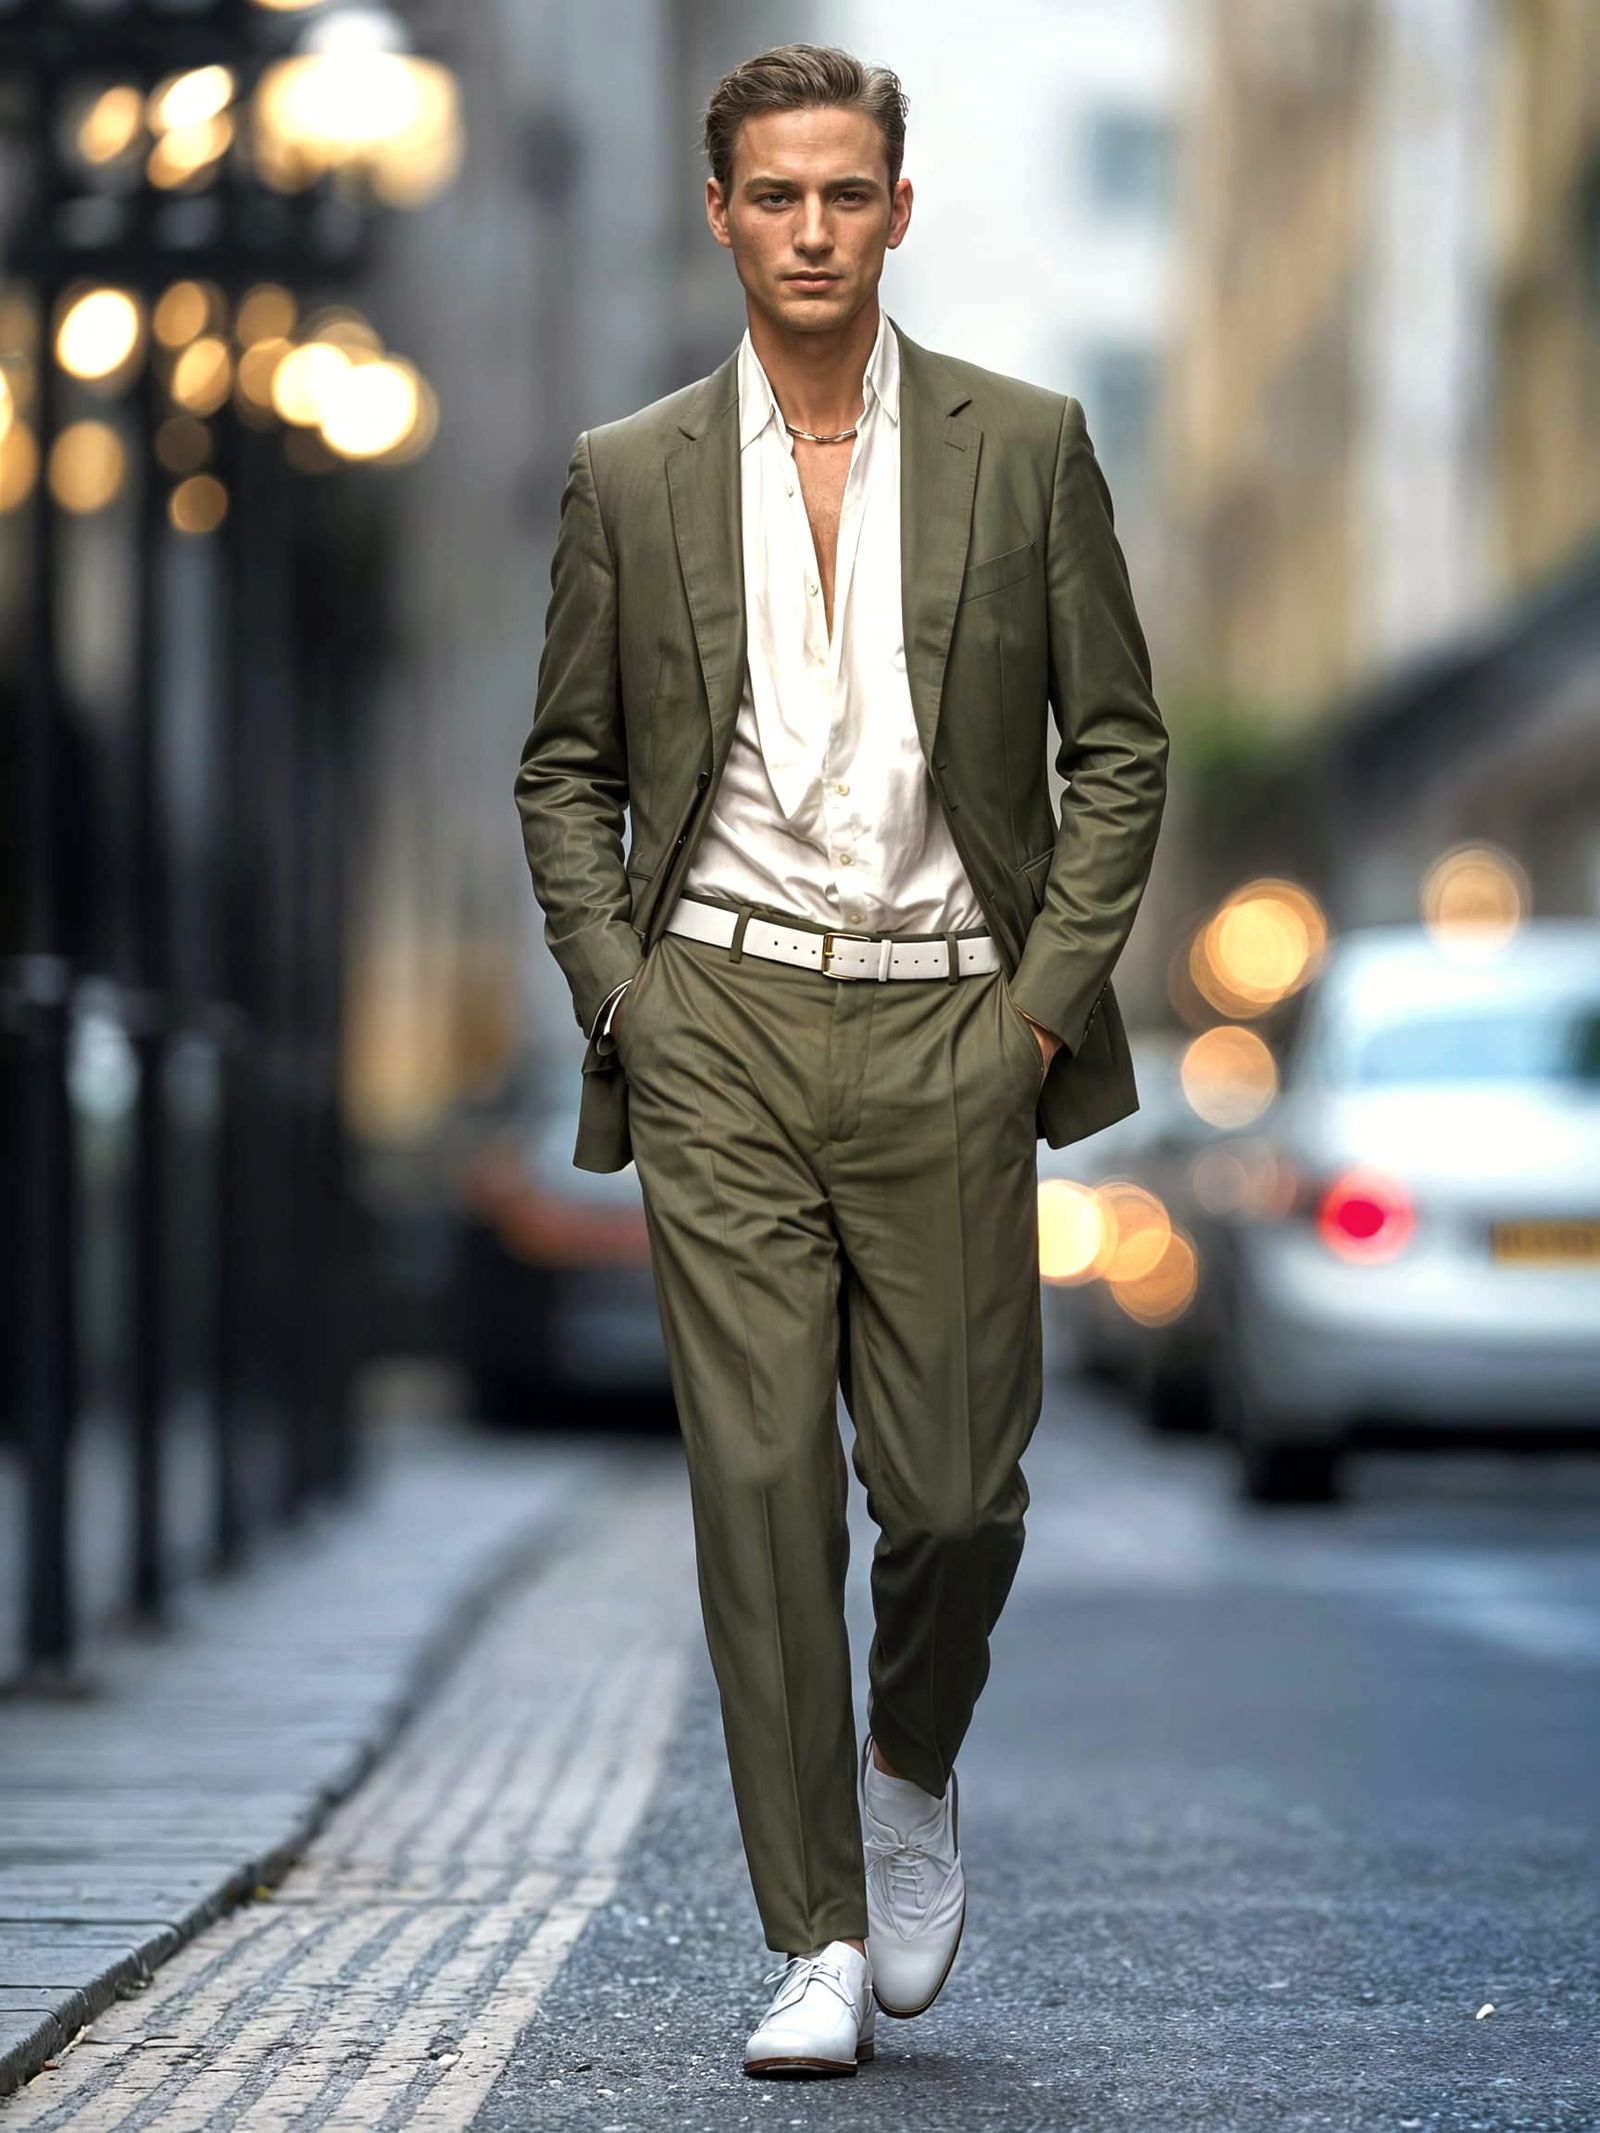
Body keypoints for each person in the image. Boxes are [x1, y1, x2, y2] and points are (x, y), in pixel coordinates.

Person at [515, 41, 1168, 2081]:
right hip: (713, 1021)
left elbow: (1117, 746)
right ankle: (810, 1929)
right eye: (773, 194)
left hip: (950, 1021)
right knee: (760, 1484)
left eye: (844, 193)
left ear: (896, 206)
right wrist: (623, 992)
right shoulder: (627, 473)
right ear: (716, 211)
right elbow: (566, 769)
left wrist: (1036, 1007)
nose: (810, 229)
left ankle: (907, 1759)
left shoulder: (1023, 444)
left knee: (957, 1493)